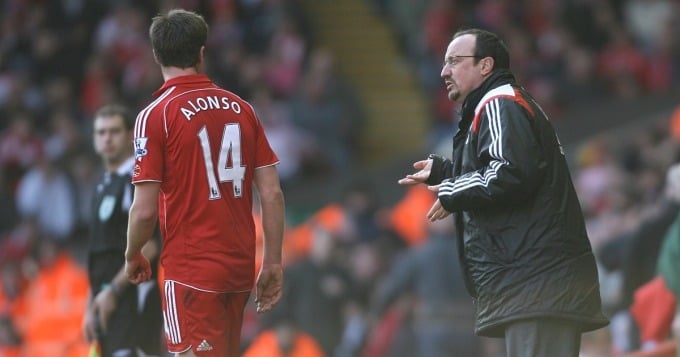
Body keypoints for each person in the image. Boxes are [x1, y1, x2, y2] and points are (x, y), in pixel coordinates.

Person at [398, 28, 609, 356]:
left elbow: (509, 172)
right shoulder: (501, 105)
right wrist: (446, 172)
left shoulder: (498, 102)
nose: (444, 72)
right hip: (534, 285)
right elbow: (511, 170)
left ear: (485, 66)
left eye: (454, 61)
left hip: (536, 284)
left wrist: (452, 189)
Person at [124, 9, 285, 357]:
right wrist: (272, 262)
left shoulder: (155, 115)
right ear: (201, 52)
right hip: (239, 269)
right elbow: (271, 193)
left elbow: (143, 212)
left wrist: (133, 253)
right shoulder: (243, 108)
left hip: (191, 273)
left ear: (155, 55)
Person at [83, 104, 163, 357]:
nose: (107, 138)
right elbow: (99, 255)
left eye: (114, 131)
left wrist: (114, 291)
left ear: (130, 135)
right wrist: (90, 305)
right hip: (106, 299)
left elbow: (150, 245)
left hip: (132, 296)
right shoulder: (102, 185)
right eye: (101, 132)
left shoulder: (137, 181)